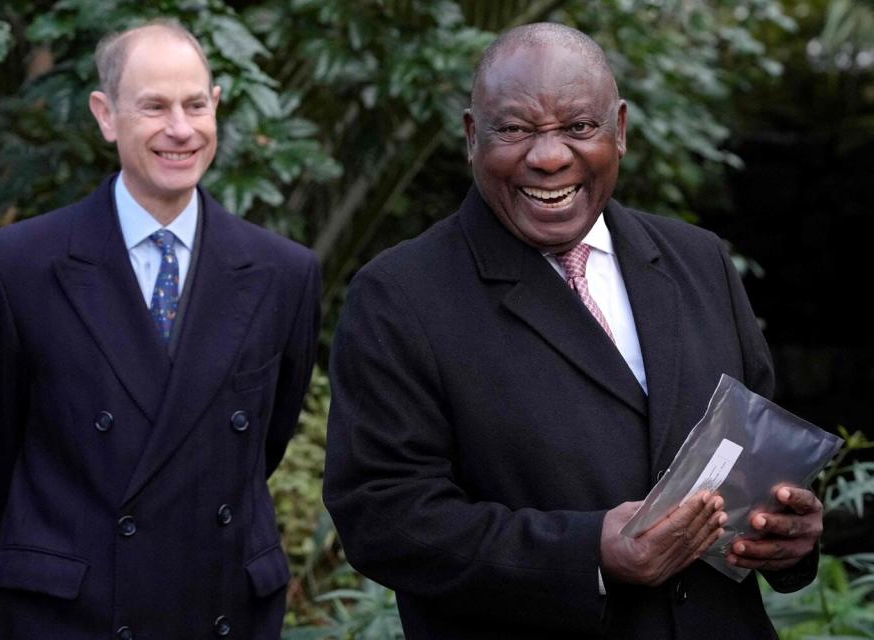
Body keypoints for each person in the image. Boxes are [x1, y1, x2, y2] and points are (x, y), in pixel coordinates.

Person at [324, 22, 821, 639]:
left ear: (621, 130)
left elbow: (759, 454)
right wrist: (589, 551)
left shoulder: (701, 261)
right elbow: (384, 518)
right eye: (515, 130)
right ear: (473, 136)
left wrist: (789, 534)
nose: (550, 155)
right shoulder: (400, 295)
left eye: (579, 128)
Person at [0, 20, 320, 640]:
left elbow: (262, 444)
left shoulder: (284, 272)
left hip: (221, 604)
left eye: (195, 105)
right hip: (68, 614)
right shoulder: (14, 268)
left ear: (216, 106)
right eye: (154, 107)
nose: (180, 129)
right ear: (105, 115)